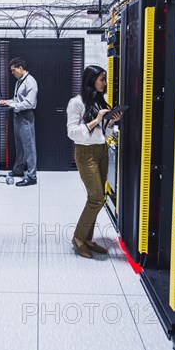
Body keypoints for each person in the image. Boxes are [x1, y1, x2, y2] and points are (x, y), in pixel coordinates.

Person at [66, 65, 122, 258]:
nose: (104, 83)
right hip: (85, 153)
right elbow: (72, 133)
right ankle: (78, 238)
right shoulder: (76, 103)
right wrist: (96, 120)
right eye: (101, 79)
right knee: (97, 198)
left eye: (105, 79)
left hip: (101, 151)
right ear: (91, 80)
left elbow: (102, 134)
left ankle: (88, 239)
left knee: (100, 198)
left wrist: (110, 123)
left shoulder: (99, 102)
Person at [0, 57, 38, 186]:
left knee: (29, 147)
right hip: (18, 117)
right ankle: (18, 169)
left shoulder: (30, 82)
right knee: (20, 145)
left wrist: (12, 105)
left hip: (25, 116)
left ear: (21, 68)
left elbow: (29, 103)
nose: (12, 73)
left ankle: (32, 176)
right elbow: (17, 99)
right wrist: (7, 101)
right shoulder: (19, 81)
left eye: (13, 70)